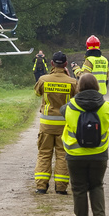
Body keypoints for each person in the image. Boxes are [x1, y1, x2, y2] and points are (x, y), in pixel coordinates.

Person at [61, 73, 109, 216]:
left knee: (78, 189)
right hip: (99, 155)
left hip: (75, 155)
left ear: (79, 87)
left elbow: (61, 112)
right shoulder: (107, 107)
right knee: (96, 185)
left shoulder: (69, 107)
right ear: (97, 86)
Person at [34, 51, 78, 195]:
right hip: (64, 126)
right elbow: (77, 98)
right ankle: (61, 187)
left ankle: (41, 186)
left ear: (52, 63)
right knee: (62, 155)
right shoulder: (72, 82)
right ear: (66, 64)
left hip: (46, 126)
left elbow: (37, 93)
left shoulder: (43, 79)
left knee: (44, 154)